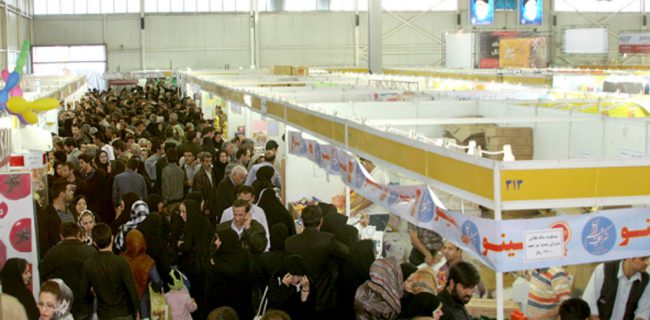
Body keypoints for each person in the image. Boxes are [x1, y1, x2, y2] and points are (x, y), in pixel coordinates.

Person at [284, 205, 350, 319]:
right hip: (324, 299)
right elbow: (346, 252)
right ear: (321, 221)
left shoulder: (290, 242)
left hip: (298, 299)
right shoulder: (328, 239)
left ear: (302, 221)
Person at [81, 223, 140, 319]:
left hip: (104, 314)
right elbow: (131, 290)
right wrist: (137, 311)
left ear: (94, 243)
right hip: (124, 313)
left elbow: (84, 292)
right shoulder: (121, 262)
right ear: (112, 238)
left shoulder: (89, 264)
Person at [39, 222, 96, 319]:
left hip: (61, 302)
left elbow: (42, 271)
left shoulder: (53, 253)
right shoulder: (90, 252)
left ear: (61, 236)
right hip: (84, 301)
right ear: (78, 234)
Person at [205, 229, 254, 320]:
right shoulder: (243, 256)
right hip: (240, 308)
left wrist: (214, 266)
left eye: (219, 239)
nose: (216, 242)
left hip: (225, 308)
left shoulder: (217, 260)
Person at [177, 199, 213, 319]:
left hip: (192, 268)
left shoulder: (190, 226)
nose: (181, 215)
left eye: (183, 211)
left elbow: (187, 247)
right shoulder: (205, 223)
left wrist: (180, 245)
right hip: (204, 266)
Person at [582, 257, 650, 320]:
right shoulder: (604, 269)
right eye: (643, 259)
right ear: (630, 257)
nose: (648, 262)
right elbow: (589, 304)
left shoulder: (646, 281)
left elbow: (642, 313)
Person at [120, 229, 162, 319]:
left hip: (125, 306)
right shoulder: (148, 262)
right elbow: (157, 281)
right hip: (144, 305)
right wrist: (156, 289)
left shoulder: (121, 259)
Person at [220, 185, 270, 249]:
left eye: (247, 201)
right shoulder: (227, 213)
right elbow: (221, 233)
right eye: (241, 200)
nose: (244, 203)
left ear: (253, 198)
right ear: (238, 197)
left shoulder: (259, 212)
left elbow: (266, 234)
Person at [267, 255, 315, 319]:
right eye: (293, 275)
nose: (296, 279)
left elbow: (309, 310)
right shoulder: (277, 280)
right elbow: (274, 305)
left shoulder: (306, 282)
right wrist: (284, 287)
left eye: (298, 276)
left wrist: (305, 290)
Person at [38, 179, 76, 259]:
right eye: (69, 190)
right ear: (62, 194)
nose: (72, 192)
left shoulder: (72, 209)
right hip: (58, 259)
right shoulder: (45, 215)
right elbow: (44, 244)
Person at [350, 157, 391, 231]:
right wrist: (347, 207)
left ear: (365, 163)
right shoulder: (370, 176)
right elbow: (362, 197)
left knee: (372, 240)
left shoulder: (379, 175)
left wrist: (357, 210)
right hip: (371, 214)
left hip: (378, 214)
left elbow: (371, 199)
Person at [193, 151, 219, 224]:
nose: (209, 163)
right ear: (201, 162)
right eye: (206, 161)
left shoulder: (212, 173)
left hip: (212, 205)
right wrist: (204, 208)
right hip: (205, 206)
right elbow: (198, 194)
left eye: (210, 161)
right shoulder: (199, 176)